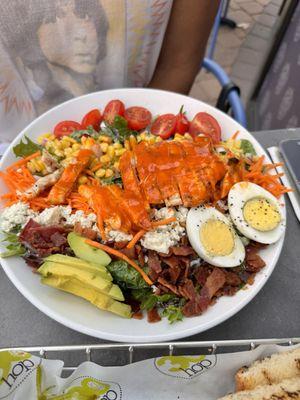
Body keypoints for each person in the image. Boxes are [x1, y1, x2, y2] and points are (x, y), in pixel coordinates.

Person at [0, 0, 219, 142]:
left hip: (141, 126)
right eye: (53, 18)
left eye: (87, 20)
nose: (81, 35)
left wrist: (146, 142)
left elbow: (178, 64)